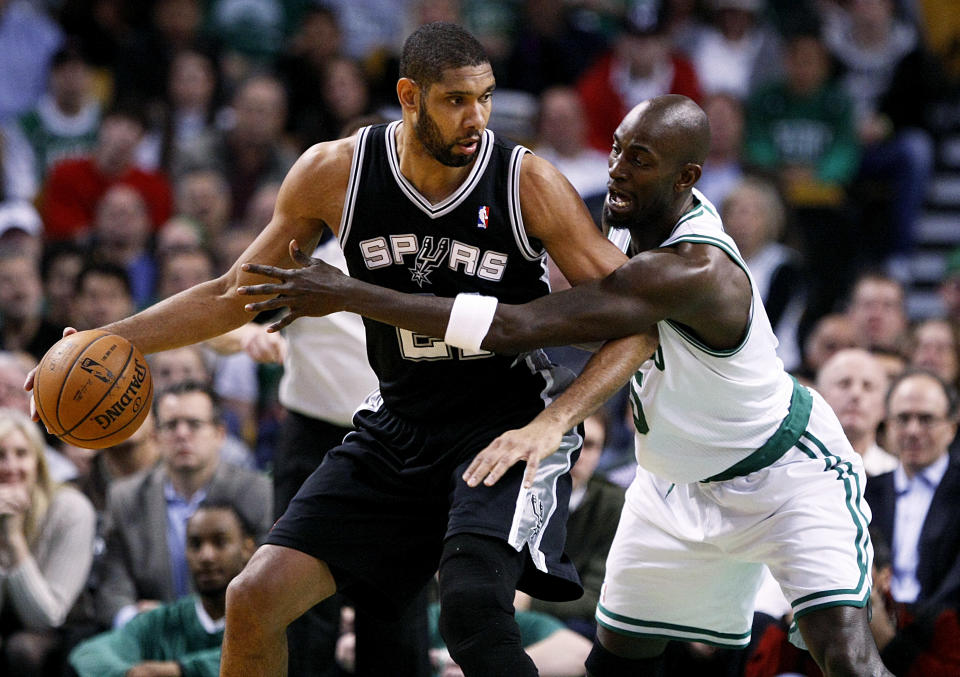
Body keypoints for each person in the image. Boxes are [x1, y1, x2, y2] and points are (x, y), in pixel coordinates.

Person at [26, 22, 648, 677]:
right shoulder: (336, 173)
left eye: (485, 98)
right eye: (456, 100)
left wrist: (555, 420)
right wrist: (109, 338)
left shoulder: (526, 183)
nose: (477, 118)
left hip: (500, 426)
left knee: (473, 615)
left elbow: (636, 315)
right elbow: (233, 293)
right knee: (254, 597)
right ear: (410, 96)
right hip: (398, 425)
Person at [251, 94, 892, 676]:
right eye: (614, 148)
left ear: (686, 177)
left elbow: (518, 325)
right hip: (674, 486)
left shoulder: (695, 268)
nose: (615, 169)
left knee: (845, 656)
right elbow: (608, 330)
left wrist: (347, 294)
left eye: (638, 160)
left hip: (781, 473)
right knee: (615, 666)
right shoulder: (623, 227)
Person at [92, 381, 272, 631]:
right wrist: (133, 617)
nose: (182, 434)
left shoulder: (255, 491)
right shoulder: (125, 497)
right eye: (171, 425)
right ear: (155, 437)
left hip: (232, 630)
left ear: (220, 434)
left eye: (194, 424)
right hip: (151, 634)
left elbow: (266, 578)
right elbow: (113, 582)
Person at [69, 500, 257, 677]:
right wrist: (132, 673)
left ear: (248, 549)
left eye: (220, 542)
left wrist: (179, 670)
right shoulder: (164, 620)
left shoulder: (266, 618)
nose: (206, 556)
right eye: (195, 544)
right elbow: (90, 654)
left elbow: (252, 657)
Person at [0, 406, 96, 675]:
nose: (11, 467)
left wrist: (13, 539)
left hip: (65, 632)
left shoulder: (71, 508)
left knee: (22, 649)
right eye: (0, 456)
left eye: (21, 454)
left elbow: (47, 617)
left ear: (39, 462)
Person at [864, 369, 960, 612]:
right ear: (887, 426)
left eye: (926, 419)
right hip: (872, 623)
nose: (913, 430)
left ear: (951, 428)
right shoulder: (864, 493)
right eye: (903, 419)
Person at [816, 348, 898, 476]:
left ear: (884, 406)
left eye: (868, 386)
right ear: (819, 397)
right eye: (844, 384)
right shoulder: (797, 469)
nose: (856, 394)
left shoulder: (896, 475)